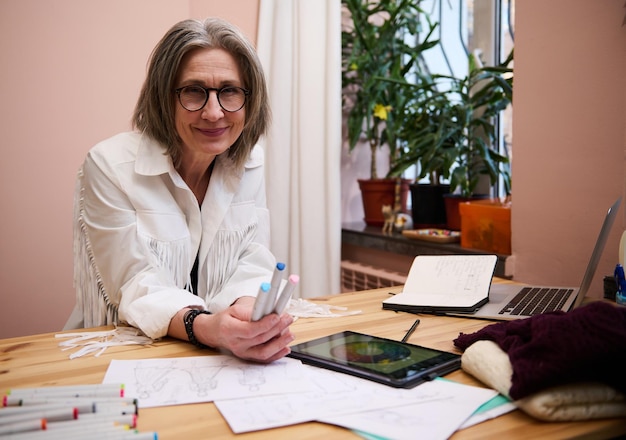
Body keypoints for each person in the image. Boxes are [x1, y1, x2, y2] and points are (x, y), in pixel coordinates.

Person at [64, 17, 294, 363]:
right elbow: (134, 281)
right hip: (124, 352)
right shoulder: (108, 165)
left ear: (250, 99)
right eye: (193, 91)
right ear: (163, 96)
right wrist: (207, 327)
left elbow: (252, 257)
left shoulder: (249, 162)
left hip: (218, 354)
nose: (214, 112)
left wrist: (248, 318)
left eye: (230, 91)